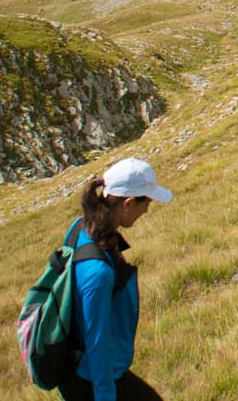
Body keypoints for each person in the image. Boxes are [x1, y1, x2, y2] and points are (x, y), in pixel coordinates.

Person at [61, 158, 172, 401]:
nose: (147, 210)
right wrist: (104, 395)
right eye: (147, 202)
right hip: (90, 377)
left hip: (83, 367)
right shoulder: (98, 272)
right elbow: (96, 342)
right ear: (129, 203)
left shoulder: (82, 226)